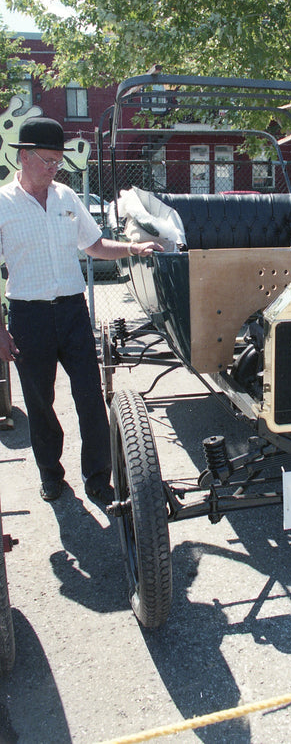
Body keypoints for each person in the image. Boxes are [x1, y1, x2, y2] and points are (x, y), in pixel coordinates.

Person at [0, 116, 163, 505]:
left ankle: (97, 477)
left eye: (58, 161)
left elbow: (94, 245)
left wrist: (133, 248)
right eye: (47, 160)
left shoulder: (66, 198)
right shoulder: (3, 205)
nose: (54, 168)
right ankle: (51, 474)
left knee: (90, 397)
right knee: (39, 402)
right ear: (23, 156)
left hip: (72, 312)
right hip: (28, 317)